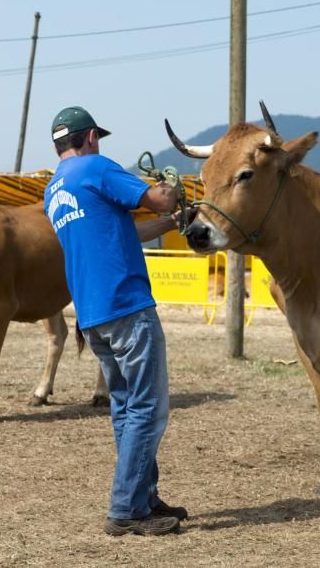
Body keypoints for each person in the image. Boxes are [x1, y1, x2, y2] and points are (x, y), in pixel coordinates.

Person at [44, 106, 185, 536]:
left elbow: (117, 231)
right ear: (89, 138)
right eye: (97, 138)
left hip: (93, 314)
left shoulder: (54, 190)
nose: (100, 144)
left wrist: (169, 223)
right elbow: (158, 196)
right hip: (126, 305)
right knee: (148, 408)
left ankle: (144, 497)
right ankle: (127, 510)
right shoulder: (96, 167)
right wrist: (172, 187)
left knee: (125, 408)